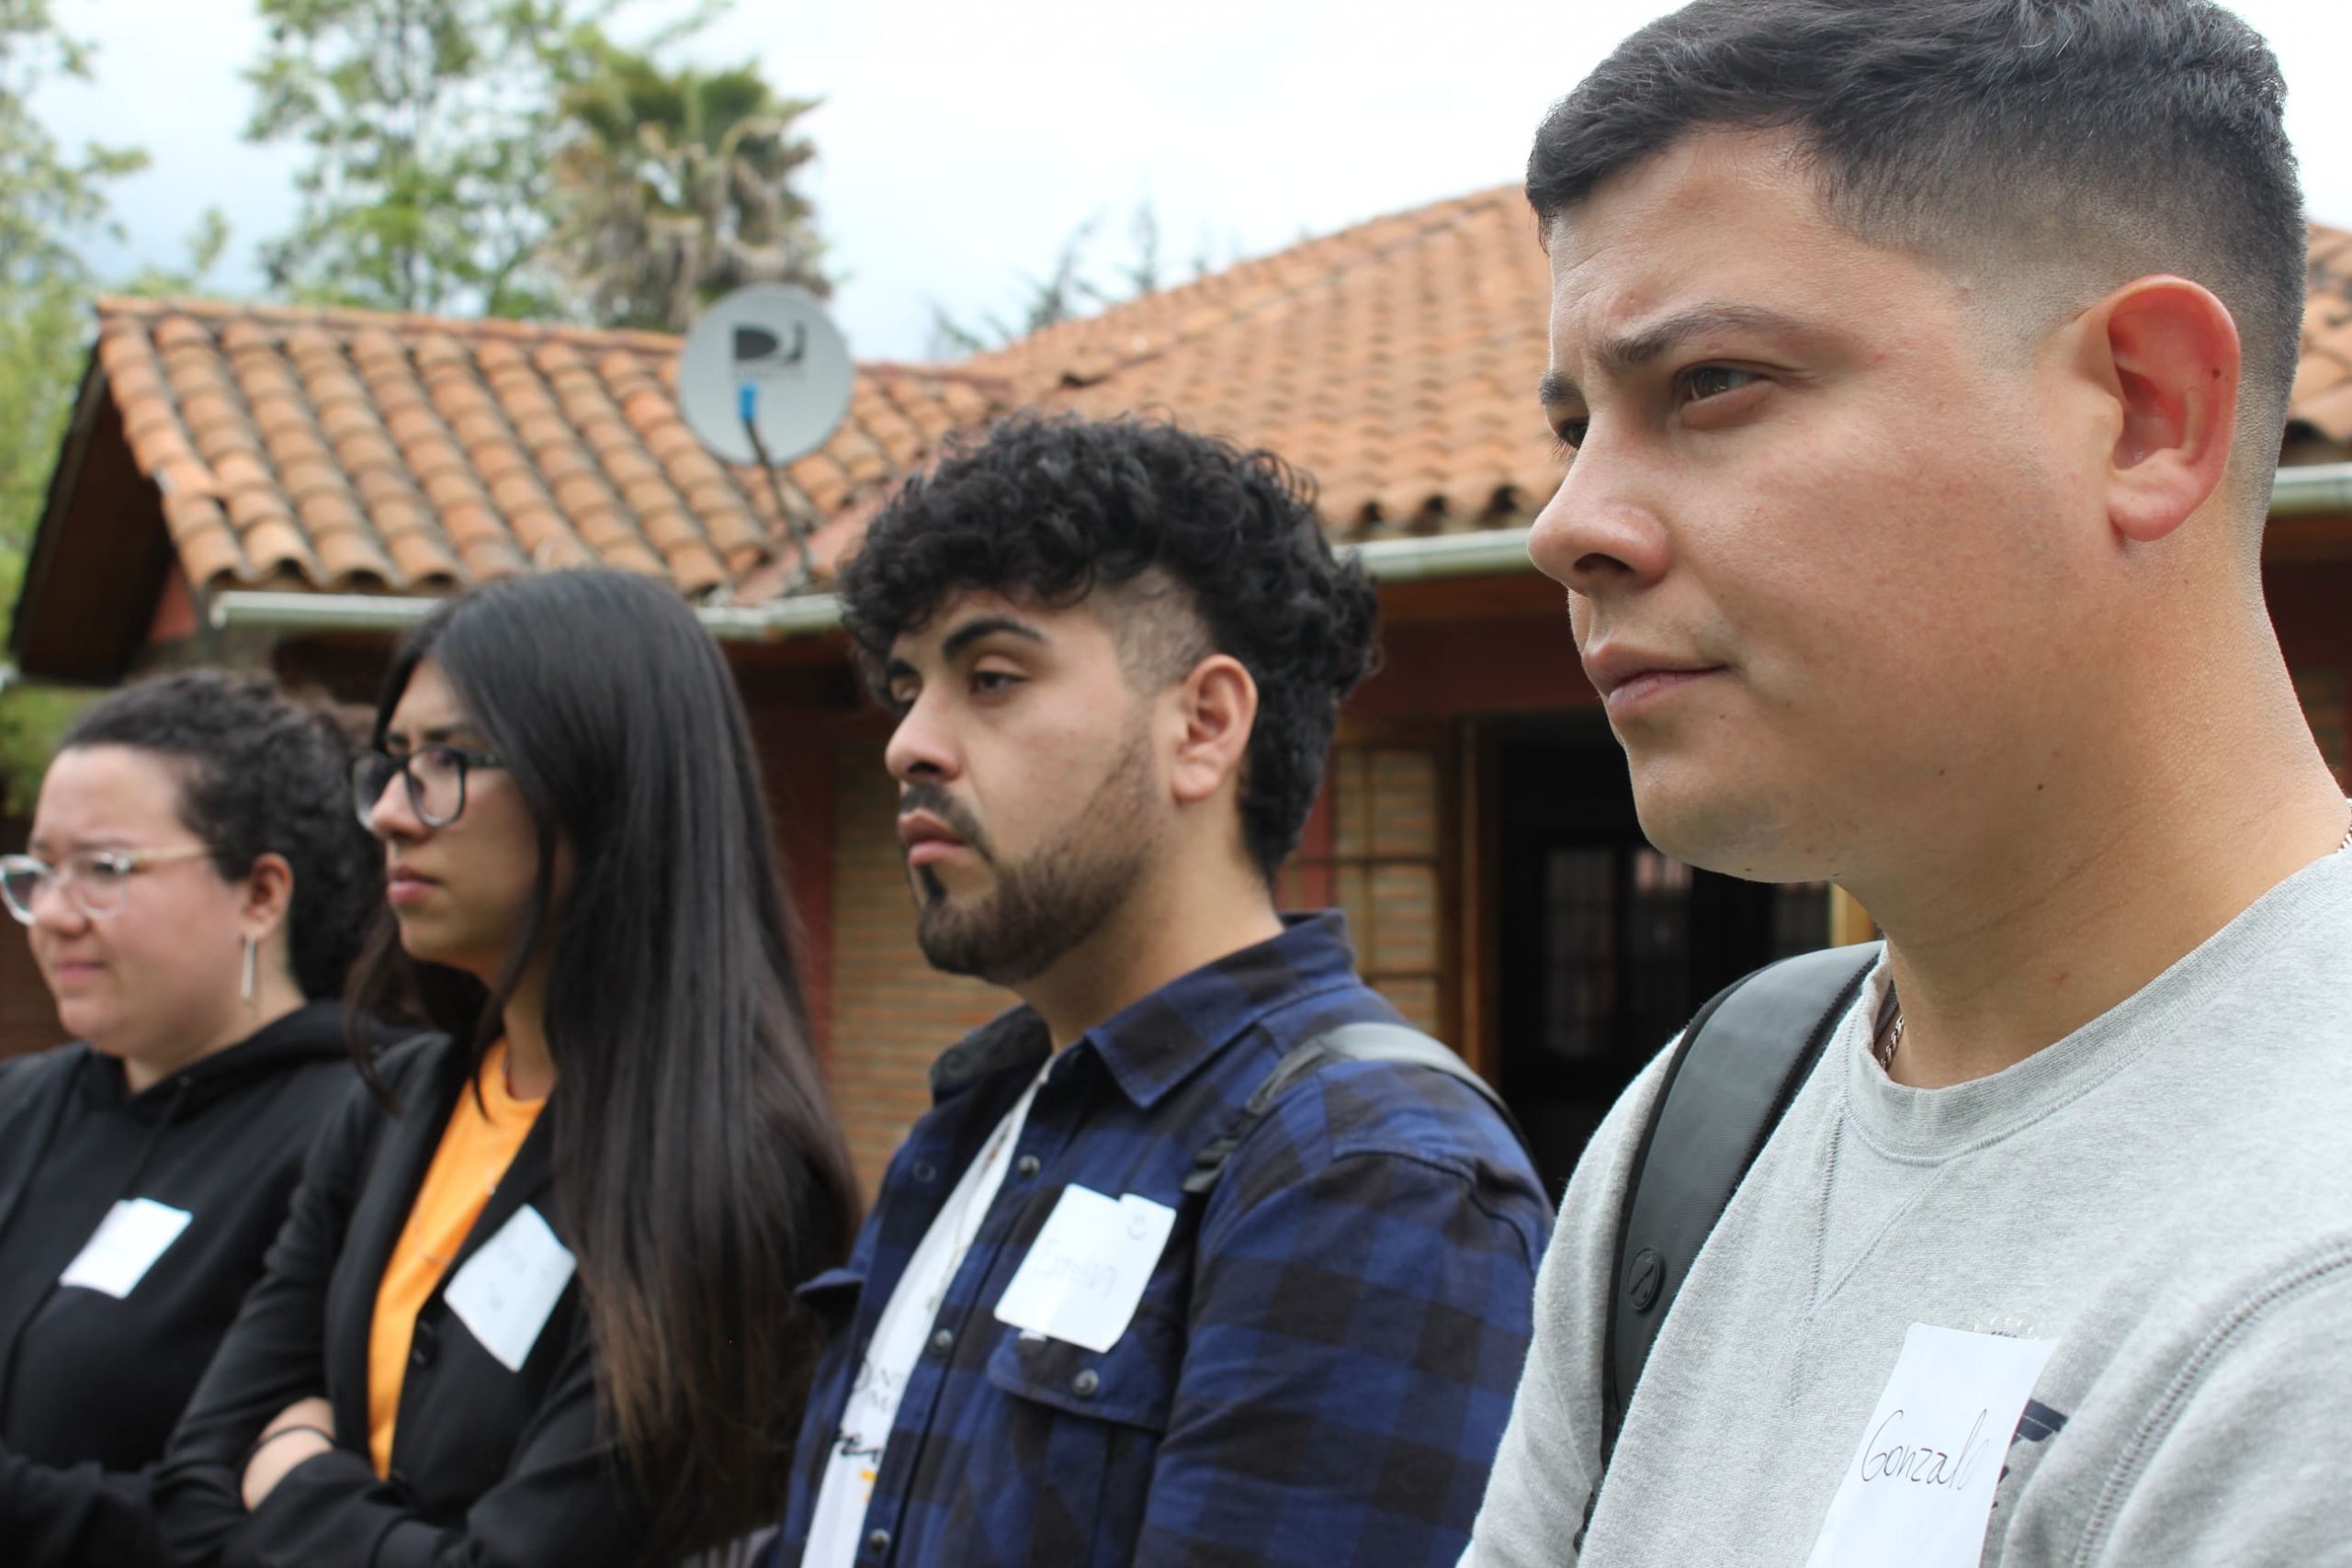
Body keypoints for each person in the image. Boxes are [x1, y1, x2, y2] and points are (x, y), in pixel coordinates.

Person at [1464, 2, 2352, 1564]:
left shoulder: (2309, 1289)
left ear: (2146, 412)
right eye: (1573, 423)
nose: (1568, 524)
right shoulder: (1705, 1116)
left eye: (1713, 384)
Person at [765, 412, 1550, 1568]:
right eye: (906, 688)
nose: (909, 746)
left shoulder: (1364, 1175)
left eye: (990, 677)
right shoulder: (981, 1120)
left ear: (1203, 725)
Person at [156, 570, 859, 1566]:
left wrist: (298, 1473)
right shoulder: (394, 1106)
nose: (392, 812)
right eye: (392, 762)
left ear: (603, 781)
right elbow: (194, 1479)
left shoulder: (725, 1177)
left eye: (447, 761)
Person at [0, 671, 379, 1566]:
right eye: (40, 872)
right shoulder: (21, 1105)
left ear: (260, 895)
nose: (52, 915)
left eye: (104, 870)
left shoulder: (358, 1135)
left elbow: (249, 1517)